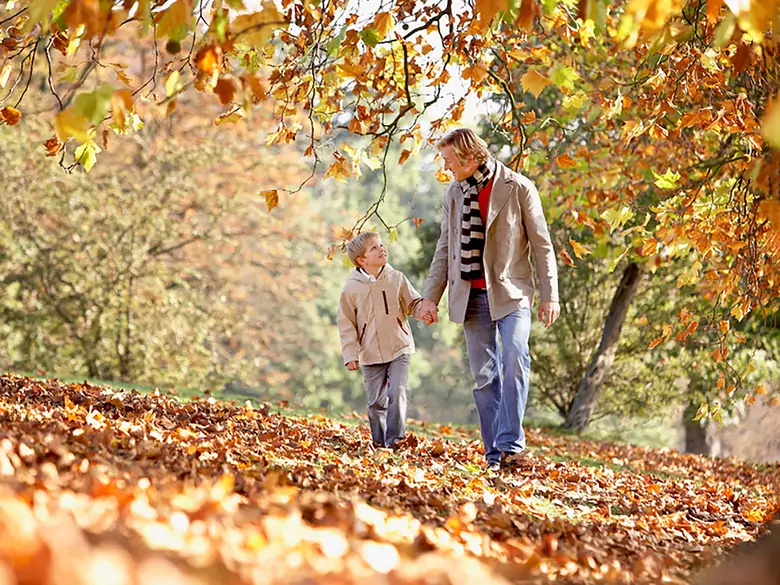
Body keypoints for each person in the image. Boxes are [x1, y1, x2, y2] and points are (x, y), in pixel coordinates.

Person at [418, 128, 560, 472]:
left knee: (515, 356)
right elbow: (445, 248)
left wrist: (550, 295)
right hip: (470, 295)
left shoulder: (518, 187)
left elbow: (542, 245)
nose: (446, 167)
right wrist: (429, 297)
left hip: (512, 293)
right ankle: (495, 456)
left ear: (470, 157)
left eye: (450, 160)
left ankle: (511, 445)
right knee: (484, 378)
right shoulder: (454, 193)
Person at [338, 231, 424, 448]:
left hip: (399, 347)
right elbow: (346, 323)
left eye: (382, 245)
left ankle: (395, 441)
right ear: (362, 260)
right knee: (376, 402)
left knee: (397, 391)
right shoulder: (351, 288)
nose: (382, 249)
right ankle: (379, 443)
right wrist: (350, 354)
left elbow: (413, 303)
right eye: (374, 248)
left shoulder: (397, 278)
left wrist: (424, 311)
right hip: (370, 353)